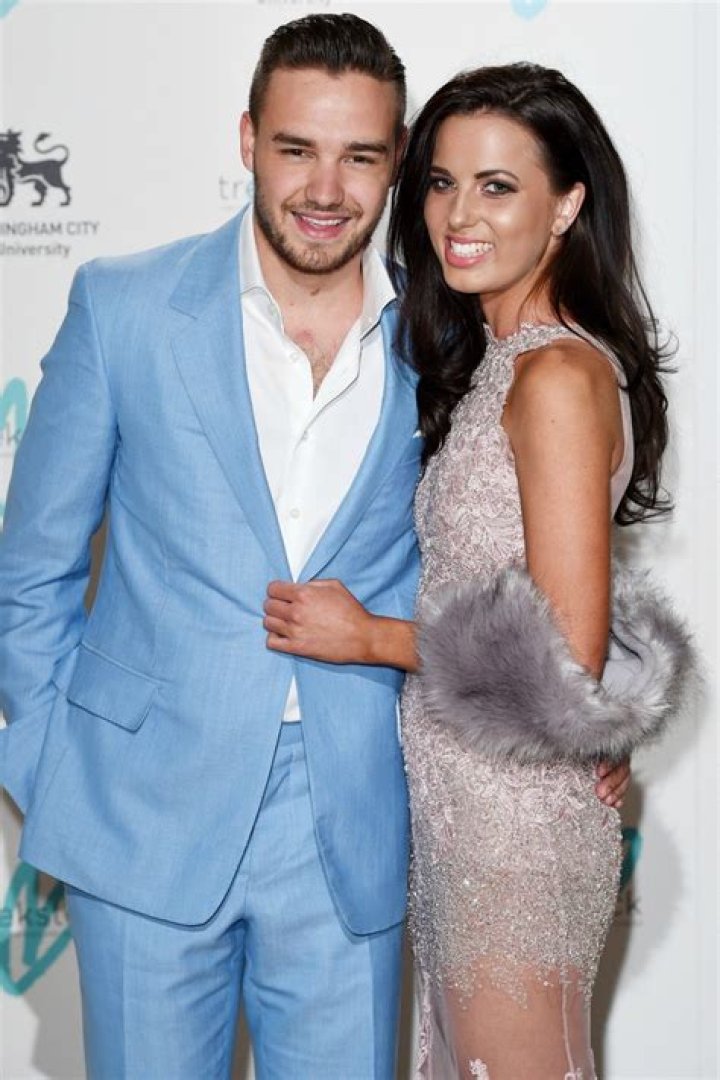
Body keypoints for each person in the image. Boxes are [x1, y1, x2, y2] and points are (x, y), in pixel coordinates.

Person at [0, 17, 630, 1075]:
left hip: (358, 816)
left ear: (396, 161)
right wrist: (53, 771)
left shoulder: (448, 332)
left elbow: (532, 561)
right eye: (296, 149)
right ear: (248, 138)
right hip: (141, 814)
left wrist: (594, 709)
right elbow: (30, 571)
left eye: (362, 156)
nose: (326, 189)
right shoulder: (125, 308)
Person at [262, 64, 692, 1078]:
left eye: (498, 186)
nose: (459, 215)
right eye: (443, 182)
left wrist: (369, 636)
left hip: (514, 826)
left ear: (567, 206)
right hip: (470, 799)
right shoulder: (503, 360)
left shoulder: (556, 374)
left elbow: (566, 651)